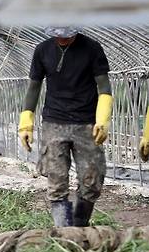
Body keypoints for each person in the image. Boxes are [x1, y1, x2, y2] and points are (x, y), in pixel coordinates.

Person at [18, 26, 113, 227]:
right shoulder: (42, 50)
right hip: (54, 122)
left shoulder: (92, 48)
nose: (62, 38)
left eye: (66, 35)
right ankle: (63, 230)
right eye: (58, 34)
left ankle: (79, 226)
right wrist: (26, 122)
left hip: (86, 123)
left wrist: (102, 120)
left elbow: (104, 86)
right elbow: (34, 86)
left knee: (92, 179)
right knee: (56, 179)